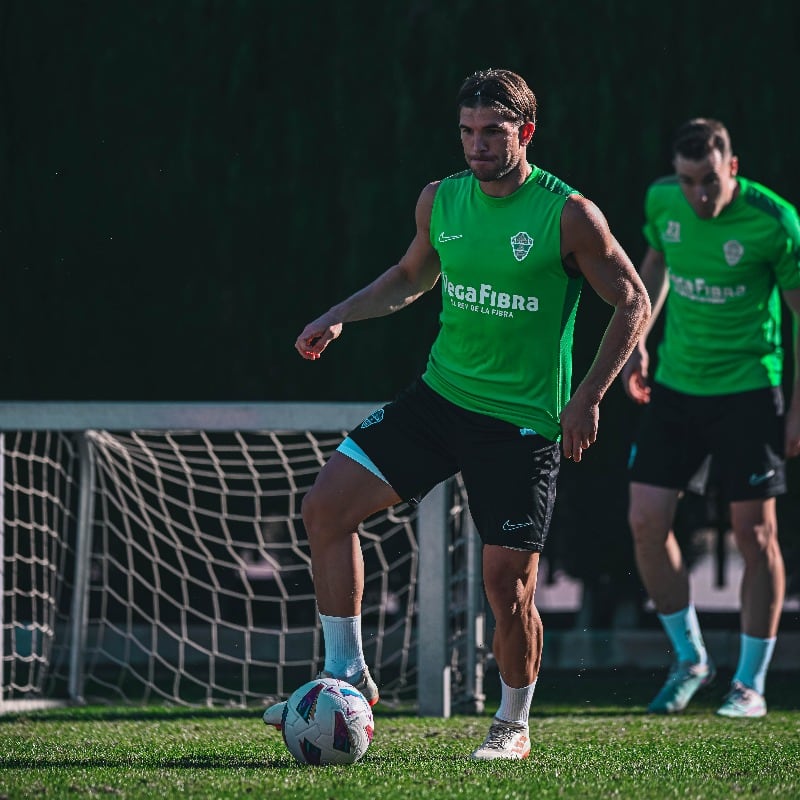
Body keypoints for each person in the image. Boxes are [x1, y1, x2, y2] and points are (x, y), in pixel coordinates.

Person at [263, 68, 650, 759]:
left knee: (508, 586)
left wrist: (587, 396)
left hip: (521, 424)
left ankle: (512, 726)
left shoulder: (568, 214)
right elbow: (412, 276)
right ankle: (345, 673)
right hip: (440, 400)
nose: (476, 144)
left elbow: (632, 300)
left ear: (524, 132)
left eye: (492, 132)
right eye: (467, 131)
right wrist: (339, 314)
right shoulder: (440, 200)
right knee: (326, 506)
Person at [622, 118, 800, 718]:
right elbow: (655, 267)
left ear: (733, 168)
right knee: (646, 521)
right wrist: (637, 340)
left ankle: (750, 683)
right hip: (676, 386)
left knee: (755, 535)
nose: (699, 194)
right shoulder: (662, 200)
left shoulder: (774, 222)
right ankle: (691, 658)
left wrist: (798, 406)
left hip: (751, 391)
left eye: (709, 180)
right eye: (687, 180)